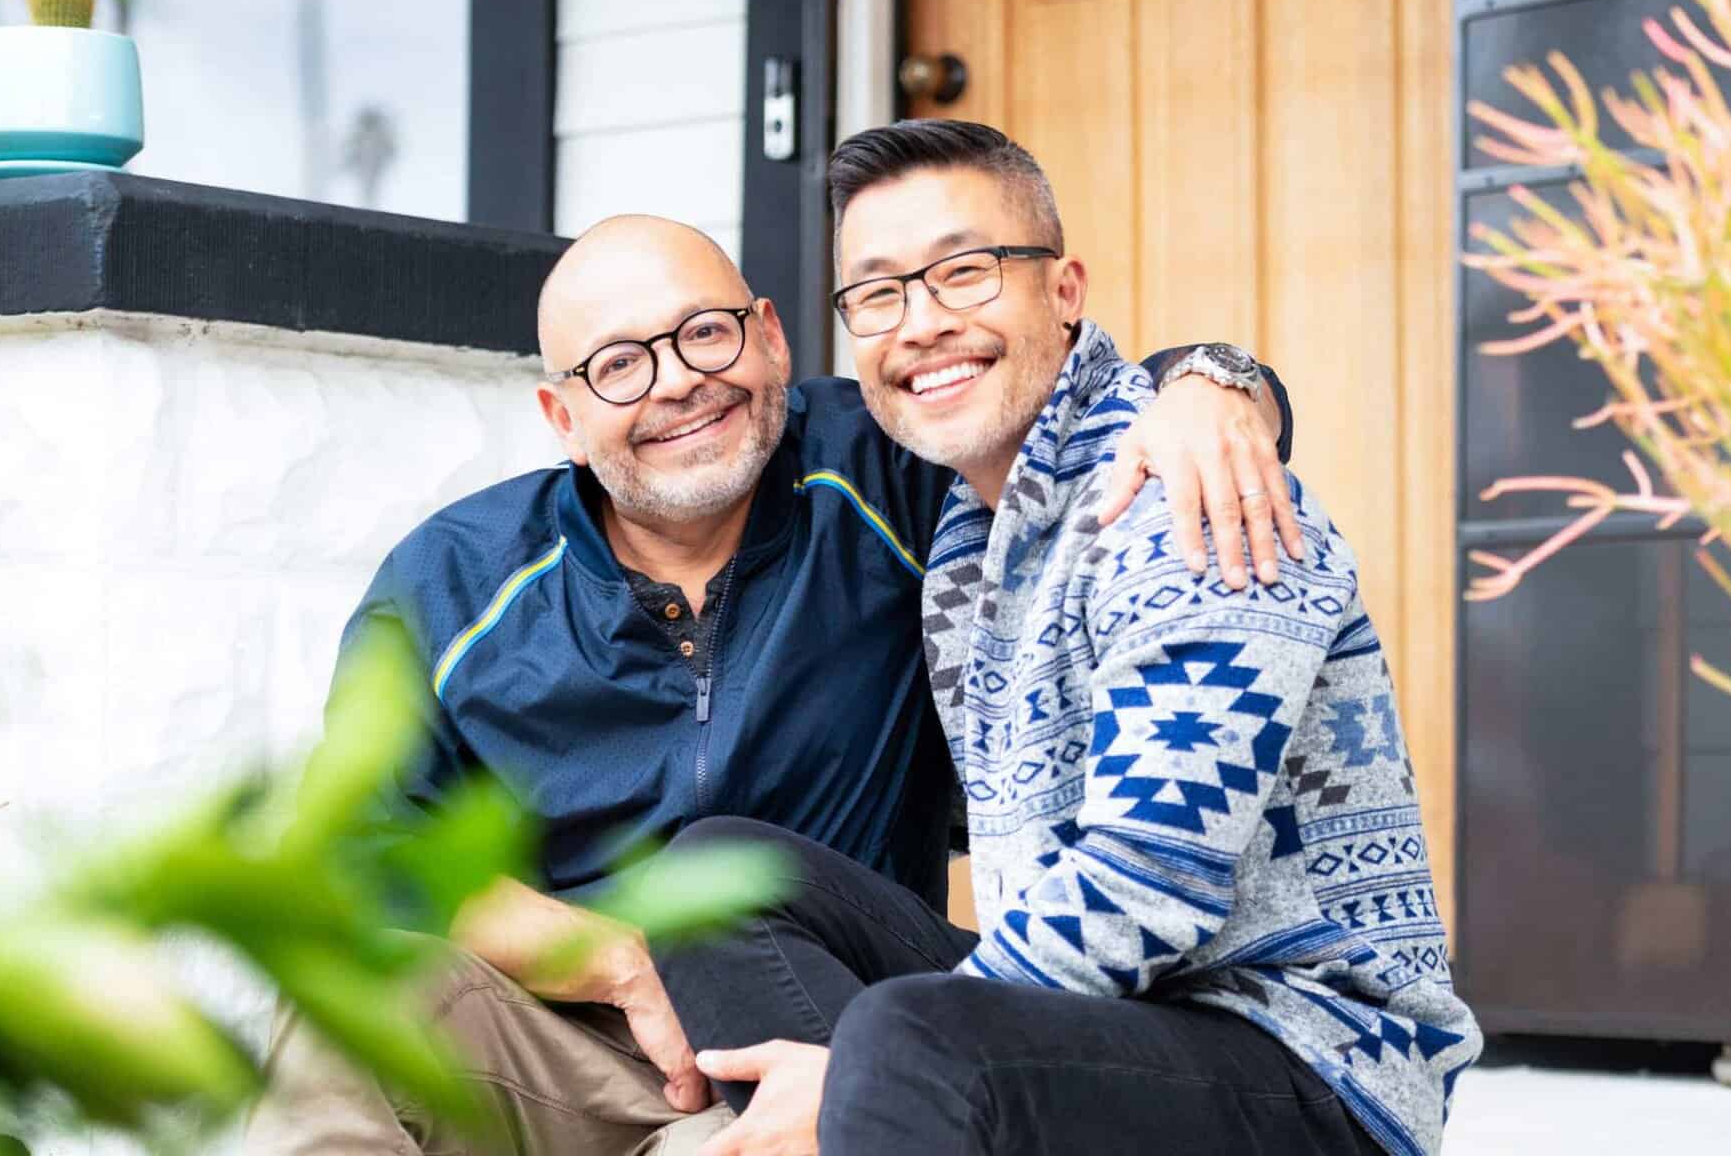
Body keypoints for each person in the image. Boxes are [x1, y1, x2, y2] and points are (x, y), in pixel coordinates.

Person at [243, 212, 1304, 1156]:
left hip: (826, 1022)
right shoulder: (453, 579)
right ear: (561, 416)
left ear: (770, 335)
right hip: (571, 1044)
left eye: (704, 332)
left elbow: (1074, 412)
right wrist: (610, 960)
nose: (675, 382)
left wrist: (1212, 386)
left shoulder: (887, 469)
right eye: (617, 365)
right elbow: (352, 855)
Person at [653, 121, 1482, 1156]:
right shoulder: (966, 534)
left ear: (1065, 290)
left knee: (909, 1035)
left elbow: (1152, 881)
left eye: (962, 271)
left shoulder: (1185, 494)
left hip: (1313, 1061)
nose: (919, 322)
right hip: (1111, 1022)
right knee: (717, 877)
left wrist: (862, 1068)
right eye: (878, 293)